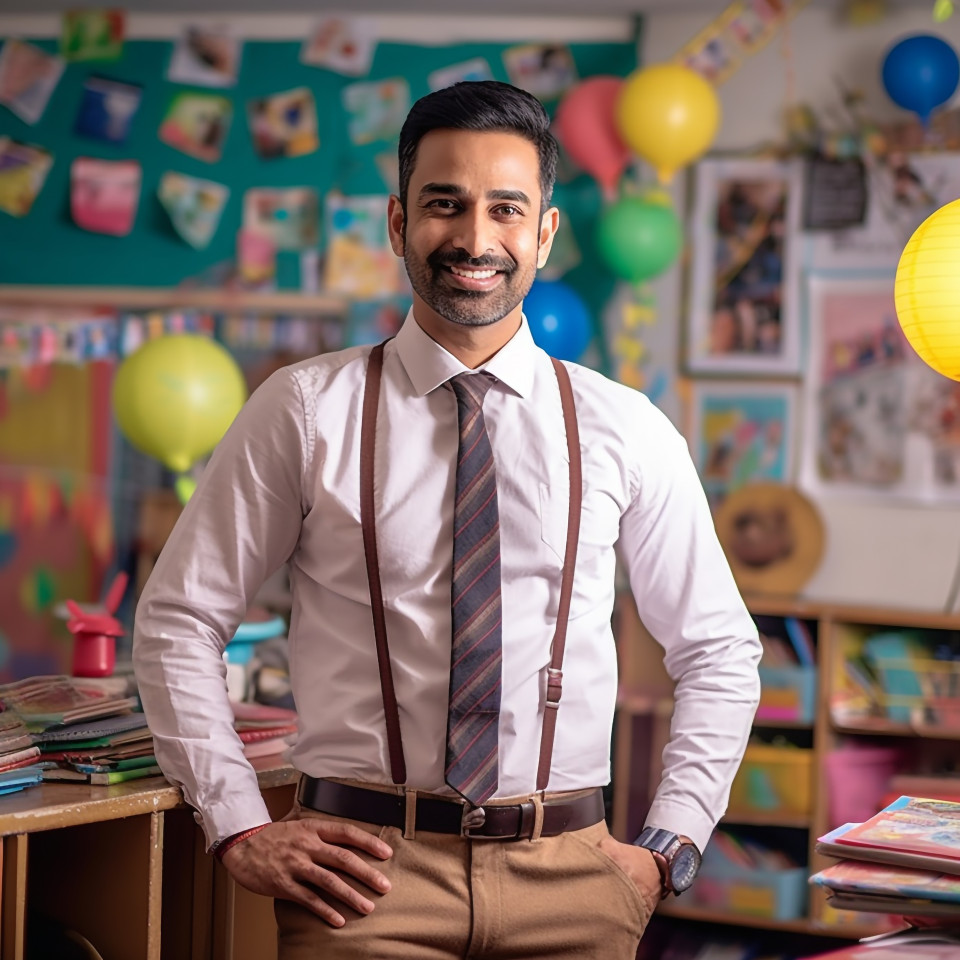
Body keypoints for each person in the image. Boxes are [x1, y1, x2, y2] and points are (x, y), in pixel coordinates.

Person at [133, 80, 761, 959]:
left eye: (506, 208)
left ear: (544, 232)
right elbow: (180, 619)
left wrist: (670, 846)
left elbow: (719, 649)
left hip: (576, 881)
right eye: (444, 205)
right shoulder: (306, 409)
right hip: (363, 881)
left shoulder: (625, 427)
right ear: (398, 224)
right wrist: (237, 823)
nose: (474, 239)